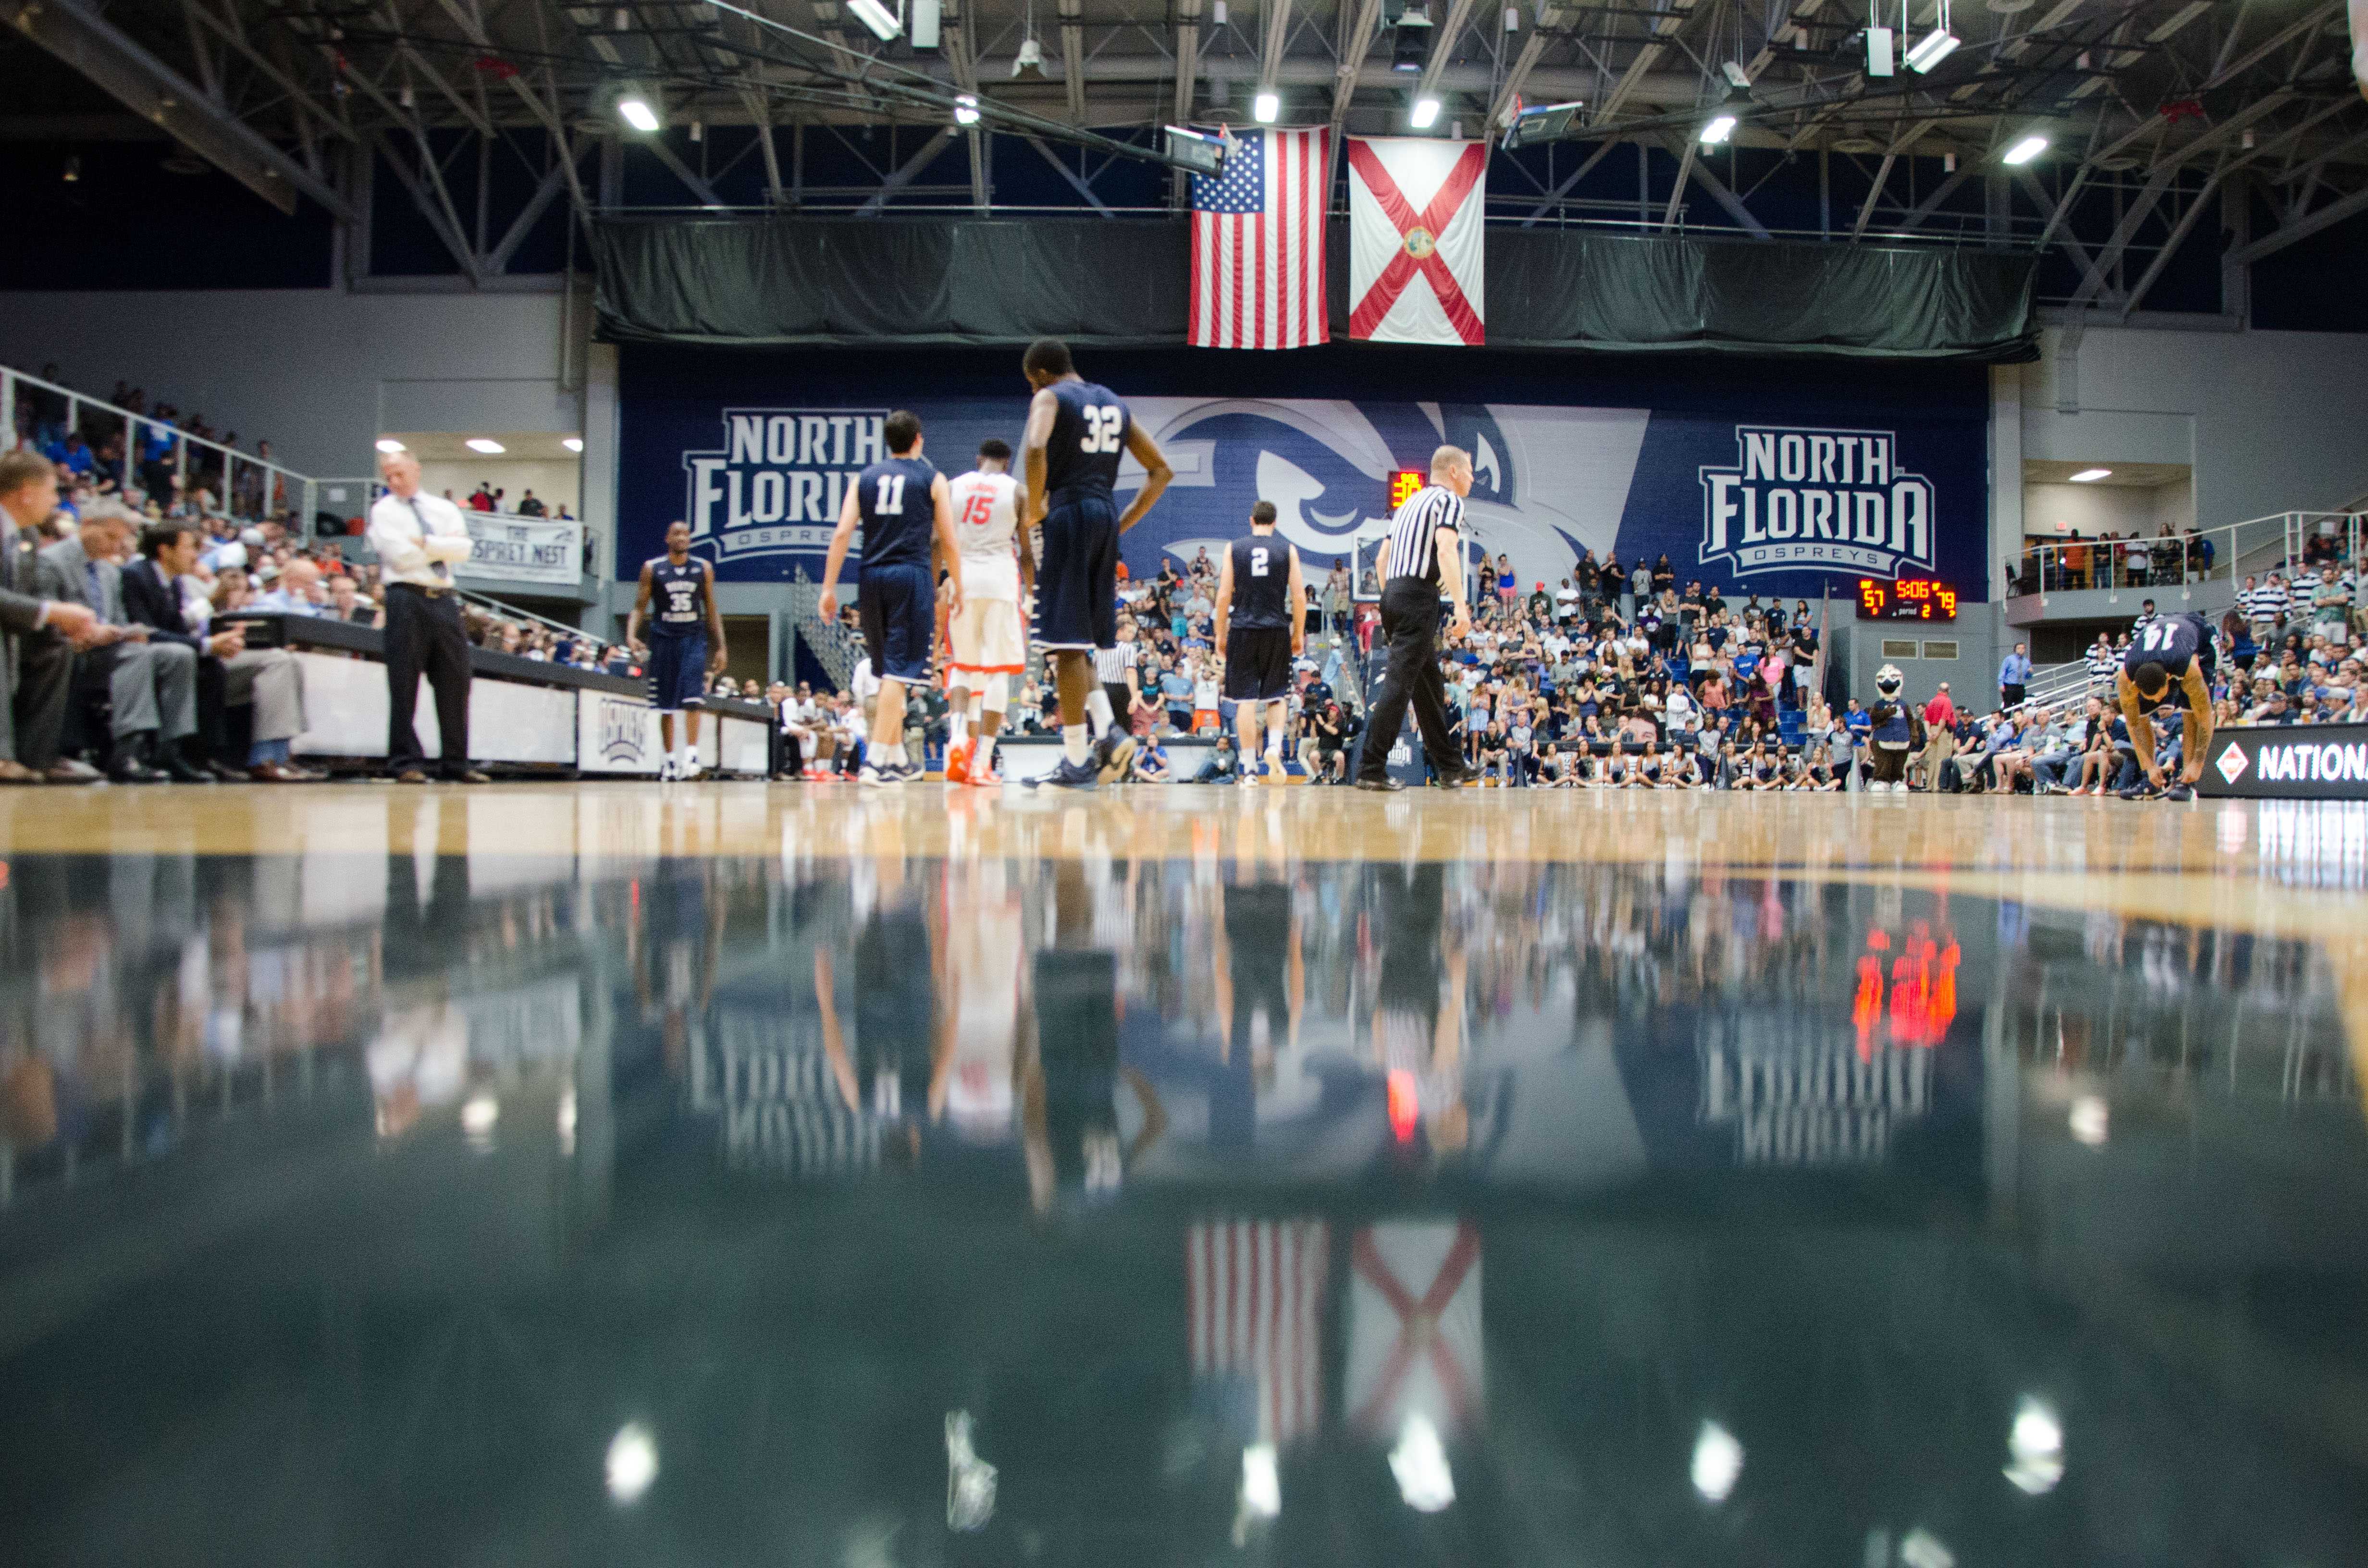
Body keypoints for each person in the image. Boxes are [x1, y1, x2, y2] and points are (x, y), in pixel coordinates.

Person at [1017, 338, 1173, 790]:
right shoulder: (1115, 403)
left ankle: (1076, 762)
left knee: (1063, 646)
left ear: (1041, 374)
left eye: (1030, 385)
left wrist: (1034, 511)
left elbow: (1034, 446)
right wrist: (1121, 523)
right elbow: (1161, 470)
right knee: (1078, 640)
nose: (1033, 393)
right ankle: (1108, 734)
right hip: (1104, 514)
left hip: (1068, 513)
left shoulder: (1050, 396)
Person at [818, 409, 961, 786]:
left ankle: (897, 758)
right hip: (910, 576)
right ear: (918, 439)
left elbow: (841, 533)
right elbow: (947, 538)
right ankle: (876, 761)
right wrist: (958, 583)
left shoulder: (863, 478)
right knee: (899, 672)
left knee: (887, 672)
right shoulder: (933, 478)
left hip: (871, 577)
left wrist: (829, 588)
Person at [121, 521, 314, 781]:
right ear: (165, 550)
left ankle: (274, 755)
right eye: (190, 548)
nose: (196, 556)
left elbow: (178, 630)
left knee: (281, 659)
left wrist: (219, 642)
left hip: (182, 653)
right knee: (238, 661)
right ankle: (257, 758)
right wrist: (208, 645)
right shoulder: (137, 575)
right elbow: (145, 630)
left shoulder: (174, 582)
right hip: (147, 657)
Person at [37, 506, 207, 783]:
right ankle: (128, 749)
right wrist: (90, 631)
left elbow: (117, 618)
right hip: (68, 645)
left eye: (120, 540)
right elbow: (45, 613)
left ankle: (170, 748)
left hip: (106, 647)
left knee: (178, 654)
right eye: (110, 536)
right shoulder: (51, 560)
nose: (115, 545)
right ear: (88, 524)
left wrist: (124, 631)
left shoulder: (109, 571)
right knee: (136, 655)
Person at [1355, 447, 1479, 793]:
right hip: (1419, 597)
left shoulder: (1408, 504)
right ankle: (1371, 767)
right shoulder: (1449, 502)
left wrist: (1391, 597)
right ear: (1453, 471)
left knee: (1429, 687)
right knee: (1399, 685)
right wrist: (1461, 606)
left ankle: (1450, 767)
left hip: (1392, 593)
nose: (1471, 479)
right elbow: (1445, 549)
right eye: (1469, 472)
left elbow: (1382, 559)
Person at [369, 451, 486, 784]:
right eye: (388, 475)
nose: (393, 481)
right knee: (404, 682)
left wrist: (426, 543)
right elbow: (399, 557)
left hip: (444, 600)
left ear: (416, 470)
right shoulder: (383, 511)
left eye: (399, 473)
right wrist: (440, 547)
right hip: (405, 597)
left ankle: (456, 763)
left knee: (456, 681)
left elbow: (462, 550)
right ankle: (405, 761)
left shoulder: (444, 508)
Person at [0, 452, 106, 782]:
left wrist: (64, 621)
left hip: (10, 625)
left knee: (55, 646)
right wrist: (51, 612)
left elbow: (33, 592)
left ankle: (36, 758)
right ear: (26, 493)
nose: (56, 501)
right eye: (51, 491)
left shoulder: (27, 536)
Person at [940, 438, 1030, 787]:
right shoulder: (1017, 491)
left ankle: (958, 738)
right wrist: (1032, 592)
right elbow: (1025, 549)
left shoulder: (952, 486)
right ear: (1007, 463)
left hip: (963, 580)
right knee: (998, 672)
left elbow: (938, 540)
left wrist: (940, 582)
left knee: (962, 665)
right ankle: (981, 762)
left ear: (979, 460)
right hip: (1001, 583)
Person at [1212, 500, 1306, 785]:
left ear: (1251, 520)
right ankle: (1275, 747)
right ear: (1275, 523)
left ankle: (1250, 769)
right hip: (1276, 629)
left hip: (1242, 629)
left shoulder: (1234, 548)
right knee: (1277, 695)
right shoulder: (1287, 550)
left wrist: (1220, 634)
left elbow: (1224, 596)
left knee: (1245, 702)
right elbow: (1300, 597)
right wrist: (1298, 634)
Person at [627, 520, 728, 782]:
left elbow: (712, 608)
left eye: (686, 534)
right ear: (667, 538)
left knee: (694, 698)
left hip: (694, 637)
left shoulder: (703, 568)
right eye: (677, 534)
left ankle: (691, 757)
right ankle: (669, 760)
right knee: (666, 704)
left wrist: (722, 647)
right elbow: (639, 606)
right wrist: (631, 634)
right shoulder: (653, 568)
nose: (682, 538)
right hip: (663, 638)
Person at [2117, 609, 2217, 799]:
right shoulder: (2126, 678)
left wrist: (2198, 762)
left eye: (2158, 696)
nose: (2156, 702)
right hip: (2160, 638)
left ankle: (2188, 783)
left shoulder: (2189, 670)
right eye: (2151, 697)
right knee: (2141, 716)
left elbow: (2205, 717)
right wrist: (2149, 765)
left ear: (2170, 679)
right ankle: (2150, 780)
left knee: (2191, 713)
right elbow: (2133, 724)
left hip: (2199, 634)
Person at [1998, 641, 2033, 711]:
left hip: (2020, 687)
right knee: (2008, 706)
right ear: (2015, 650)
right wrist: (2001, 684)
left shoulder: (2027, 661)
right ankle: (2006, 721)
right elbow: (2003, 672)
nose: (2021, 650)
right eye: (2019, 648)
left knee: (2019, 707)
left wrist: (2030, 673)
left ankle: (2017, 722)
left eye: (2023, 648)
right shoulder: (2009, 659)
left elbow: (2028, 677)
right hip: (2010, 686)